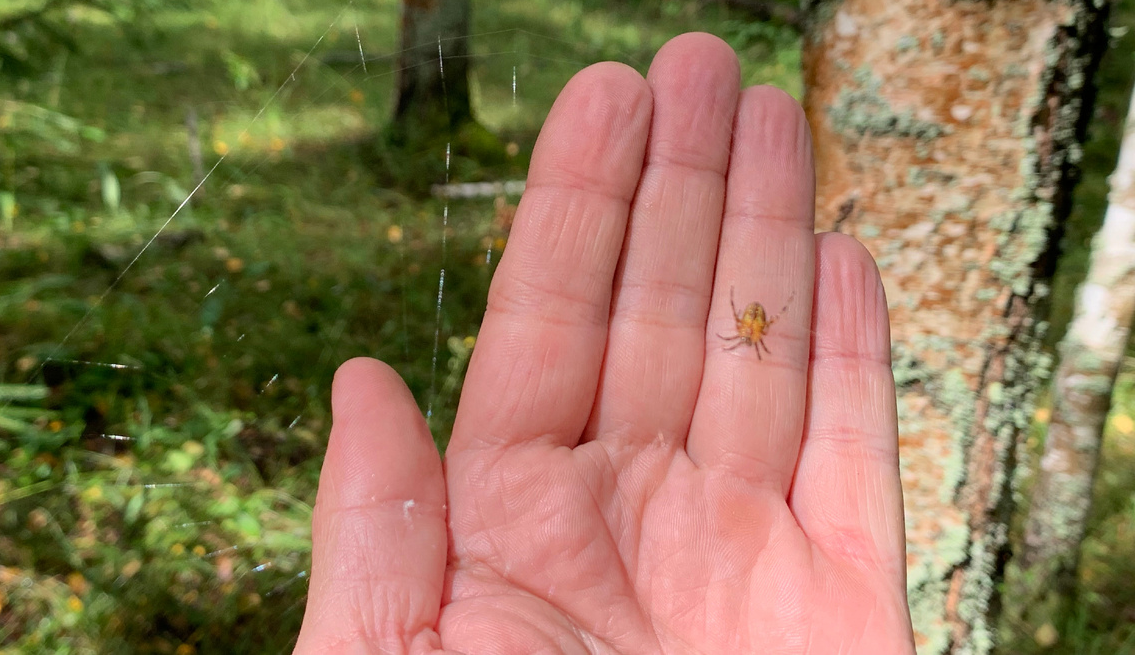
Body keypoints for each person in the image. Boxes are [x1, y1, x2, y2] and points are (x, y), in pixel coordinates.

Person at [293, 33, 917, 654]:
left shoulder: (749, 329)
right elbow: (745, 321)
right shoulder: (747, 329)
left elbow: (747, 321)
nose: (751, 331)